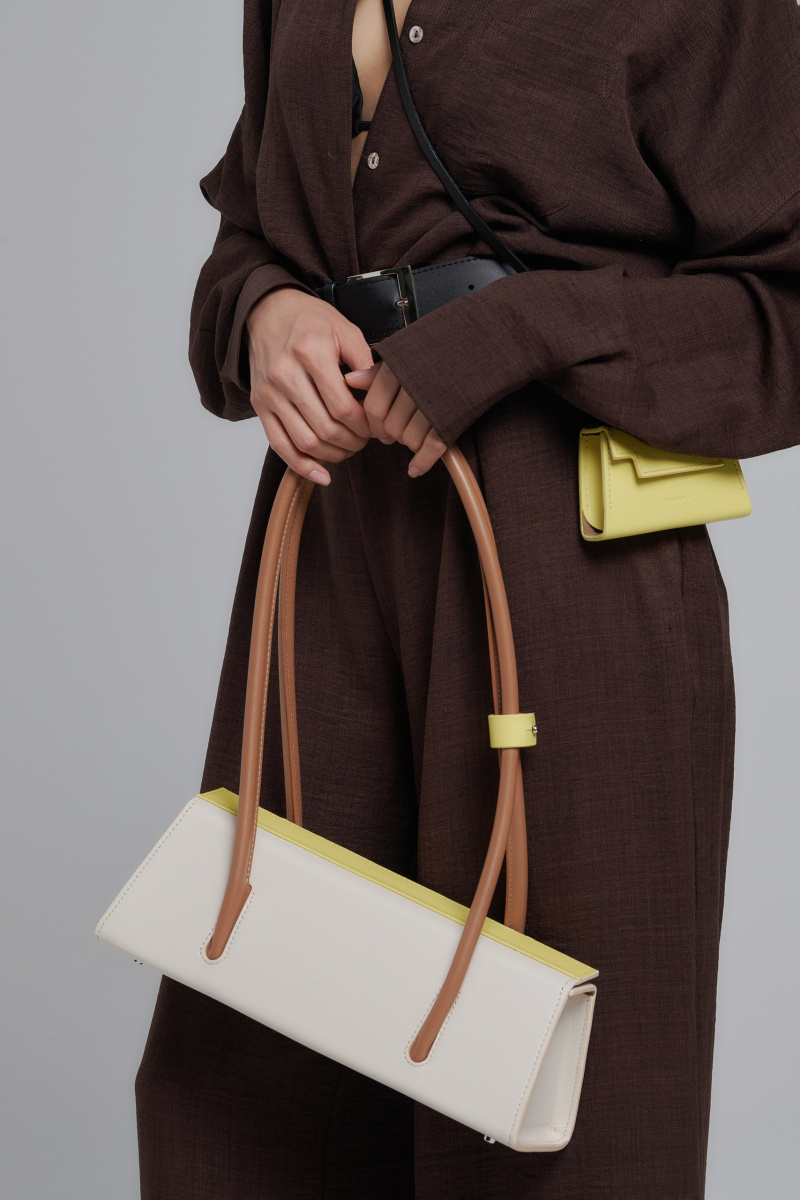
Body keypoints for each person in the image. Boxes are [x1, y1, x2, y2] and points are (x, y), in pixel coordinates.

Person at [134, 1, 800, 1196]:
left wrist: (523, 332)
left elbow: (781, 311)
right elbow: (252, 238)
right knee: (263, 1067)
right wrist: (265, 313)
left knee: (546, 1104)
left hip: (566, 555)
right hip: (331, 538)